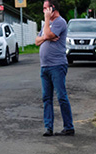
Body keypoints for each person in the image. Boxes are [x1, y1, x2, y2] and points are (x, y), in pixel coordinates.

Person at [35, 0, 74, 137]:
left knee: (61, 96)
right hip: (44, 66)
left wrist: (47, 26)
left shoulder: (60, 22)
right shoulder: (48, 24)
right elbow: (37, 40)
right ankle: (48, 127)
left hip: (57, 65)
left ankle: (69, 127)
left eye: (46, 8)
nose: (44, 11)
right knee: (46, 97)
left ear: (53, 8)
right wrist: (46, 36)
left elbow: (49, 35)